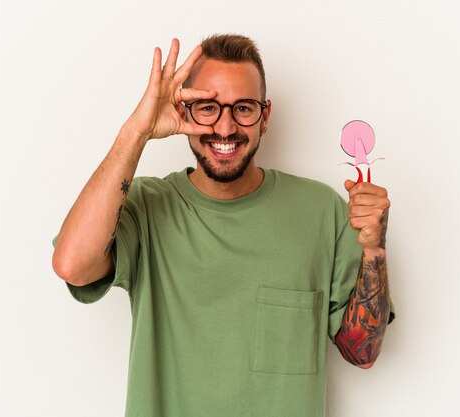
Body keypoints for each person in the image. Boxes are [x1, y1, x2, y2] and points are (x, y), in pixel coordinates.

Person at [52, 34, 394, 417]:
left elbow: (361, 352)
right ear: (185, 110)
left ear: (265, 117)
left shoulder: (321, 210)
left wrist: (373, 251)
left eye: (243, 108)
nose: (226, 128)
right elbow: (73, 266)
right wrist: (137, 132)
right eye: (208, 108)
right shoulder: (147, 206)